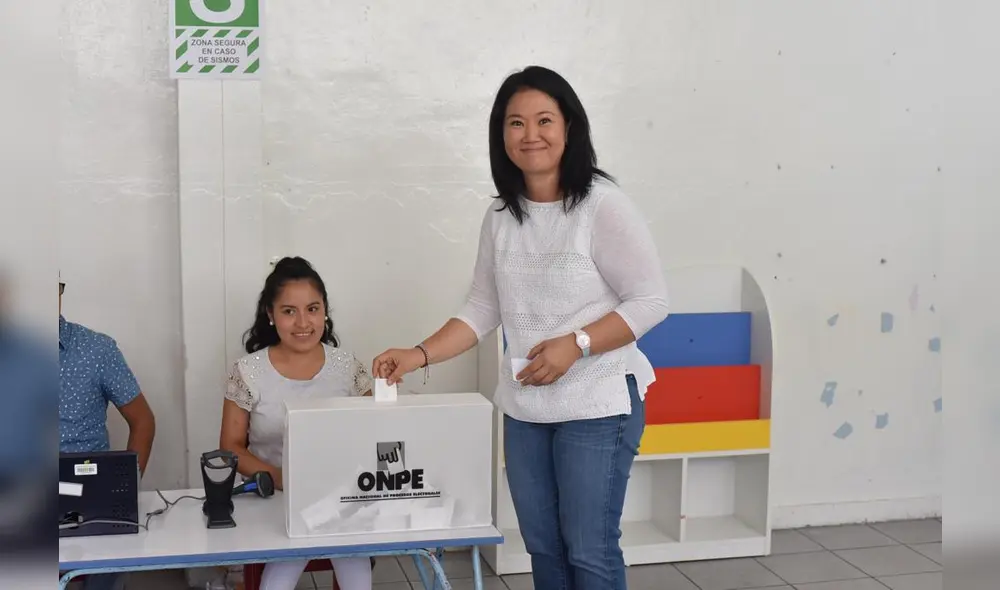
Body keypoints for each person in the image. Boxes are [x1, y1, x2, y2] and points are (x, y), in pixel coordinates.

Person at [373, 66, 669, 590]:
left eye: (544, 120)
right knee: (544, 550)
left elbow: (650, 301)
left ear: (569, 128)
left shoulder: (603, 207)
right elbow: (482, 308)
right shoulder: (501, 216)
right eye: (515, 122)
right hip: (526, 406)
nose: (530, 134)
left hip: (598, 405)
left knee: (589, 550)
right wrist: (417, 354)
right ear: (500, 135)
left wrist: (576, 345)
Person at [219, 256, 374, 590]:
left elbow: (370, 435)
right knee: (278, 580)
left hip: (340, 498)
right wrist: (281, 479)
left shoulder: (348, 367)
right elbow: (230, 446)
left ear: (325, 311)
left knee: (357, 573)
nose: (303, 322)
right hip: (276, 497)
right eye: (289, 311)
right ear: (270, 315)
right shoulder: (248, 371)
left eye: (313, 309)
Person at [59, 276, 157, 590]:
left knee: (114, 555)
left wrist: (125, 486)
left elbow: (142, 420)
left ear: (60, 290)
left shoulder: (96, 350)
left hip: (85, 493)